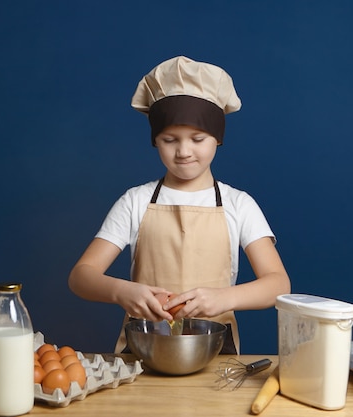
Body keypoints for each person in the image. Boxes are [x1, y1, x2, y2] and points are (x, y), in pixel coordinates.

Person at [68, 56, 291, 354]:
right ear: (155, 141)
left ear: (217, 139)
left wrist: (225, 298)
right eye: (170, 139)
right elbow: (81, 276)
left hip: (214, 350)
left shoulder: (239, 204)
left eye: (198, 138)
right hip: (144, 347)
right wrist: (122, 291)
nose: (184, 151)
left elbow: (278, 284)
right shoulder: (135, 201)